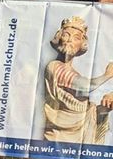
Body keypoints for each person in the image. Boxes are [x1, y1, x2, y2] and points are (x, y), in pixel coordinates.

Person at [43, 16, 113, 144]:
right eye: (66, 35)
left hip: (79, 132)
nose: (69, 40)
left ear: (82, 44)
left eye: (76, 38)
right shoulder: (54, 66)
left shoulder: (74, 72)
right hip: (58, 135)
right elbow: (84, 86)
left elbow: (83, 107)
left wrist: (104, 107)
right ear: (59, 37)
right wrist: (108, 74)